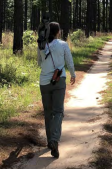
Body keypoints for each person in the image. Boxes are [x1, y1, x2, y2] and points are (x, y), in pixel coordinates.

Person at [38, 22, 76, 158]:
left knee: (48, 112)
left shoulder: (41, 45)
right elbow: (69, 61)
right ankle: (54, 140)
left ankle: (50, 142)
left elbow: (39, 63)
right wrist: (73, 74)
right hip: (59, 80)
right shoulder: (63, 44)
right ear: (58, 32)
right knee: (58, 111)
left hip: (44, 82)